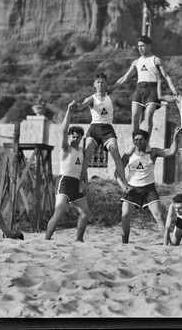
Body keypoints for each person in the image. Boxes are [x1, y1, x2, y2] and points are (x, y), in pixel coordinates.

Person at [110, 35, 177, 140]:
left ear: (149, 45)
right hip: (139, 88)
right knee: (134, 116)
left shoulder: (156, 60)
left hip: (153, 89)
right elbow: (125, 77)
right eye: (138, 46)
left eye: (142, 46)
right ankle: (136, 140)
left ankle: (147, 142)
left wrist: (174, 91)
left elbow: (166, 76)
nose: (140, 48)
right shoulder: (136, 62)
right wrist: (111, 89)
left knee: (149, 116)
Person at [120, 127, 180, 243]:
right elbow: (118, 172)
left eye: (141, 139)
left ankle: (167, 243)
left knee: (159, 216)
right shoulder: (128, 155)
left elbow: (171, 152)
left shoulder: (153, 152)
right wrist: (124, 185)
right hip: (132, 189)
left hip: (149, 189)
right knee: (125, 215)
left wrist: (175, 137)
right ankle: (124, 243)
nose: (138, 142)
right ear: (133, 140)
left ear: (146, 140)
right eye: (136, 139)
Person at [73, 73, 128, 192]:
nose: (100, 84)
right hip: (94, 129)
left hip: (108, 129)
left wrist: (132, 75)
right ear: (94, 84)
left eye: (102, 82)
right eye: (97, 82)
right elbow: (82, 105)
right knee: (87, 155)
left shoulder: (111, 96)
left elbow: (121, 81)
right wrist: (76, 105)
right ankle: (79, 183)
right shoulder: (91, 98)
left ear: (106, 83)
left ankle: (124, 183)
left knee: (116, 154)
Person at [45, 102, 91, 242]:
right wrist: (69, 111)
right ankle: (47, 240)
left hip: (76, 184)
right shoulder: (66, 148)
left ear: (81, 138)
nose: (75, 139)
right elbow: (64, 130)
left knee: (85, 213)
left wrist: (85, 183)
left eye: (78, 137)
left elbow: (83, 169)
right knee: (59, 211)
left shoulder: (81, 151)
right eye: (73, 136)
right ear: (69, 137)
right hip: (64, 181)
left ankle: (79, 240)